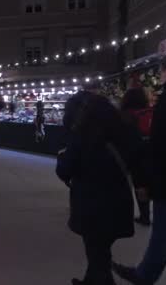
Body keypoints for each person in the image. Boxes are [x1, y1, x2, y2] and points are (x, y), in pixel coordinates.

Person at [113, 52, 166, 285]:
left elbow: (161, 145)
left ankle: (144, 276)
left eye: (161, 72)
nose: (159, 77)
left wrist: (147, 181)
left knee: (164, 236)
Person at [57, 92, 142, 285]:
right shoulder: (126, 129)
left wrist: (62, 156)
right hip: (118, 199)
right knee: (100, 250)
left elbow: (64, 170)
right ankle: (91, 280)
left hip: (91, 203)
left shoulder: (82, 136)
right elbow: (138, 160)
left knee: (96, 252)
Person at [120, 87, 153, 226]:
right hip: (152, 152)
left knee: (140, 186)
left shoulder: (126, 115)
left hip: (136, 156)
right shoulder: (151, 112)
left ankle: (145, 216)